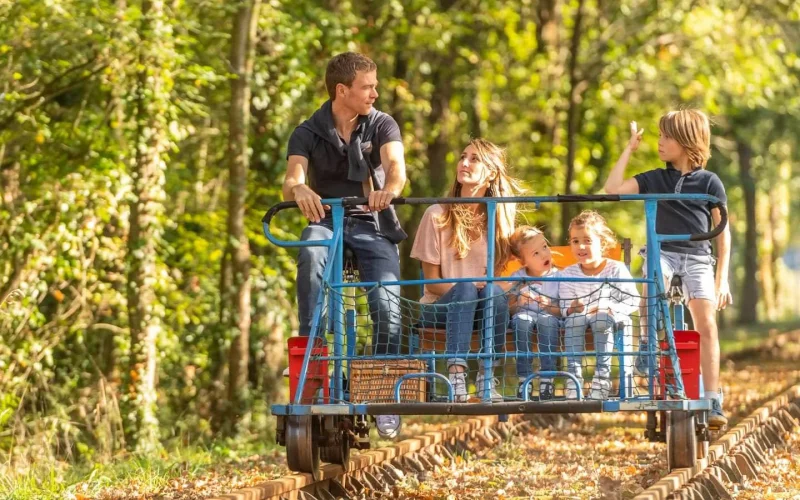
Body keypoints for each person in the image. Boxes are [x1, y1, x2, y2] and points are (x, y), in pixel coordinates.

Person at [282, 52, 406, 438]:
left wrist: (388, 191)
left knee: (387, 299)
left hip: (370, 222)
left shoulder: (382, 123)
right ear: (342, 90)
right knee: (311, 250)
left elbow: (397, 168)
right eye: (367, 86)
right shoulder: (308, 131)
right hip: (326, 221)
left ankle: (384, 391)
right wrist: (300, 188)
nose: (375, 92)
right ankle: (312, 361)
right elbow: (293, 177)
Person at [603, 109, 731, 428]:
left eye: (666, 137)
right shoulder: (654, 178)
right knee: (652, 277)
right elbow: (612, 189)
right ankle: (648, 347)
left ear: (687, 141)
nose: (659, 142)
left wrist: (722, 278)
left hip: (698, 257)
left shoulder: (709, 182)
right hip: (664, 252)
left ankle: (713, 398)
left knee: (707, 322)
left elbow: (723, 231)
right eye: (659, 136)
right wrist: (629, 148)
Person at [411, 138, 522, 402]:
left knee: (493, 291)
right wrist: (470, 287)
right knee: (466, 287)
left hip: (482, 307)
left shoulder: (499, 221)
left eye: (474, 159)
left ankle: (486, 377)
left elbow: (511, 273)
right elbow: (432, 283)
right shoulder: (436, 215)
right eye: (463, 157)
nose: (464, 163)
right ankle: (457, 378)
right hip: (440, 307)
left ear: (491, 173)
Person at [559, 211, 639, 400]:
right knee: (574, 319)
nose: (581, 246)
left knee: (602, 318)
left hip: (608, 320)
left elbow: (632, 299)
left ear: (601, 243)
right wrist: (572, 308)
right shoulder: (568, 273)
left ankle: (602, 378)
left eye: (587, 240)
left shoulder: (616, 269)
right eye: (575, 241)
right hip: (580, 322)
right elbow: (565, 306)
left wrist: (611, 308)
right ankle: (573, 379)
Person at [507, 226, 561, 401]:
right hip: (524, 319)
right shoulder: (518, 278)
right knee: (521, 320)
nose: (544, 254)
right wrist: (518, 301)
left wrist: (548, 306)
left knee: (547, 321)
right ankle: (525, 379)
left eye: (545, 247)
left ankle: (547, 378)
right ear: (524, 261)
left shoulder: (561, 277)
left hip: (550, 319)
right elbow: (508, 309)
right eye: (535, 253)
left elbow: (564, 311)